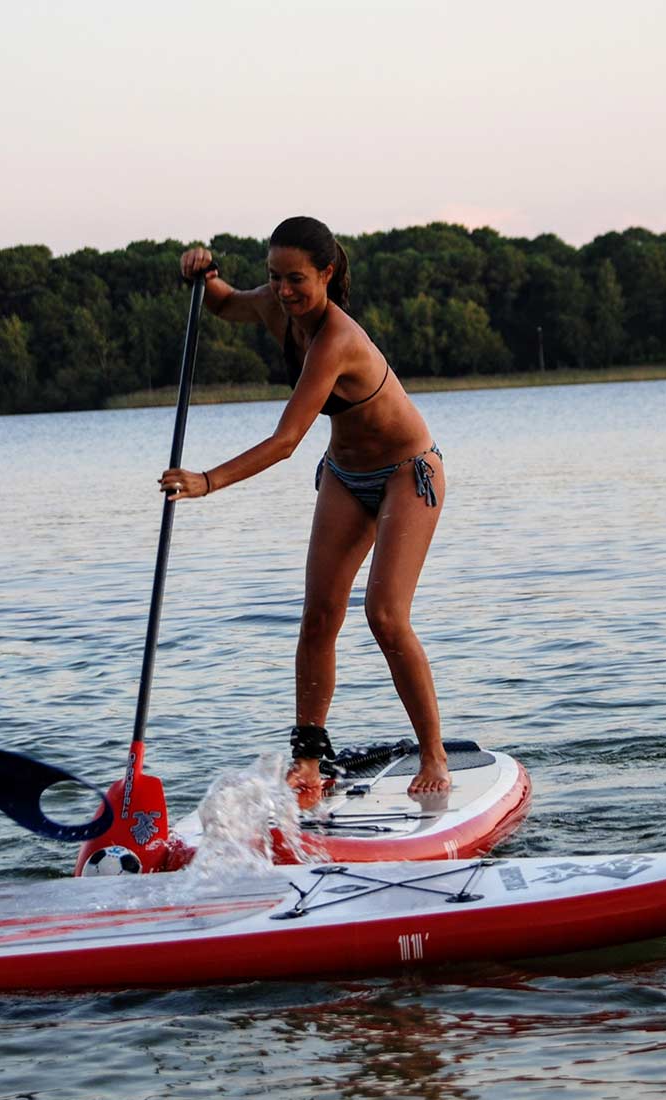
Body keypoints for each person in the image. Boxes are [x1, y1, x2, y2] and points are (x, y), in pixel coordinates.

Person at [164, 217, 449, 803]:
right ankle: (309, 763)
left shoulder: (336, 339)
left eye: (296, 279)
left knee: (384, 616)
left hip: (406, 473)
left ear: (327, 273)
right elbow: (223, 304)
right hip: (345, 474)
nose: (284, 291)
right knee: (318, 616)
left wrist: (207, 481)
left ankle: (435, 754)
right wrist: (202, 270)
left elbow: (287, 439)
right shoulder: (274, 304)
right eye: (274, 278)